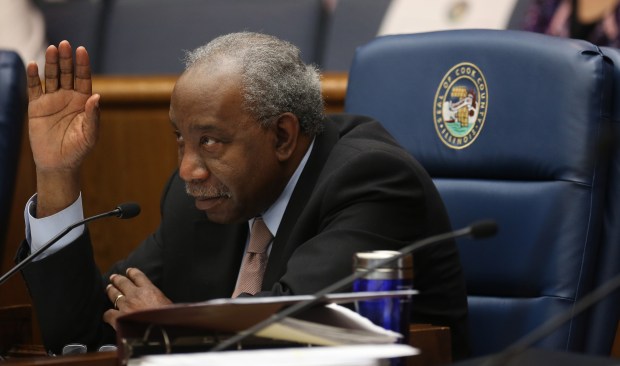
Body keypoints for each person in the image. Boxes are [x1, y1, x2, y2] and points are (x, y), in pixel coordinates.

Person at [19, 32, 470, 359]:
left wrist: (166, 328)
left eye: (211, 141)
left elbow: (295, 334)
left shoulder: (372, 181)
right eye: (181, 139)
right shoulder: (197, 197)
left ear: (282, 136)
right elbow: (79, 332)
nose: (187, 169)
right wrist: (56, 174)